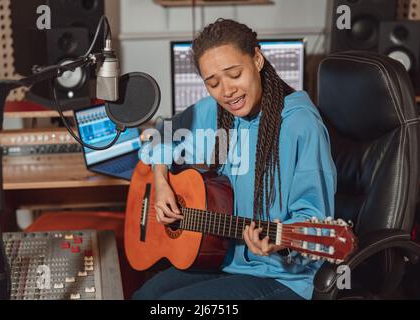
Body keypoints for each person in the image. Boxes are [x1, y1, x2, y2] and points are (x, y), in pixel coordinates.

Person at [133, 18, 337, 300]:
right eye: (213, 83)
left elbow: (313, 222)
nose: (226, 91)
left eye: (234, 74)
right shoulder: (216, 111)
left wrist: (279, 242)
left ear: (257, 58)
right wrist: (160, 180)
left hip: (285, 276)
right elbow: (160, 136)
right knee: (143, 296)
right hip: (228, 259)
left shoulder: (301, 124)